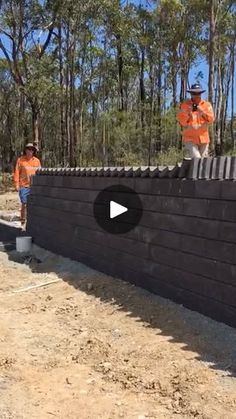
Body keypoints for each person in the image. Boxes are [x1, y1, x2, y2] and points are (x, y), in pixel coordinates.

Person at [176, 83, 214, 158]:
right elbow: (182, 122)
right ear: (191, 94)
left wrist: (202, 112)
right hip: (190, 139)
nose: (196, 95)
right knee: (197, 159)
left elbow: (211, 120)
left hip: (204, 139)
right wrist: (188, 113)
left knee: (203, 162)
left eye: (198, 93)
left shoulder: (207, 105)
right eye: (194, 93)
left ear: (201, 94)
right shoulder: (185, 105)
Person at [13, 143, 41, 228]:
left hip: (34, 186)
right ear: (25, 150)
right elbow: (17, 172)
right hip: (24, 186)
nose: (30, 151)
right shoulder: (20, 160)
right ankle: (23, 222)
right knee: (24, 204)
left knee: (33, 204)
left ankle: (33, 222)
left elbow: (40, 173)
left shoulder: (37, 161)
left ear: (33, 151)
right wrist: (16, 184)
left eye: (32, 149)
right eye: (28, 149)